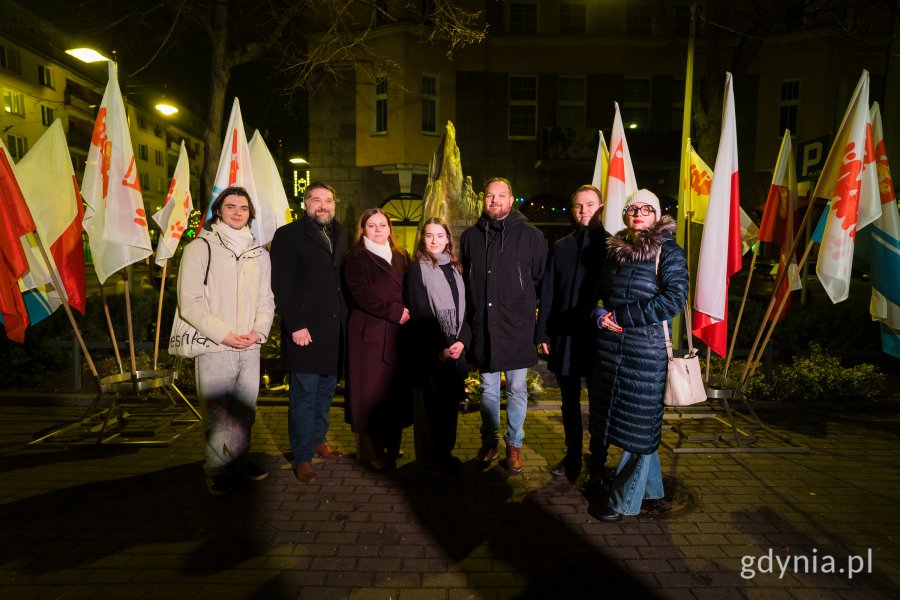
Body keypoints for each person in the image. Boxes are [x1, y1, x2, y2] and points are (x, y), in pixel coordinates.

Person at [588, 189, 688, 522]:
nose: (639, 213)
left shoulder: (669, 251)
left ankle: (623, 502)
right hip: (612, 353)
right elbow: (599, 295)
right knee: (630, 423)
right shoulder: (615, 253)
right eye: (633, 207)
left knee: (640, 428)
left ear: (657, 215)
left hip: (646, 355)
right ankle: (652, 490)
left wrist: (621, 317)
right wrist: (599, 315)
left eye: (647, 209)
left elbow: (673, 300)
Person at [177, 186, 275, 495]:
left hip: (249, 345)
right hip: (215, 344)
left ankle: (240, 458)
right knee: (218, 412)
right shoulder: (200, 247)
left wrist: (258, 332)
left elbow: (266, 299)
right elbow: (189, 302)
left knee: (245, 410)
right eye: (230, 206)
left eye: (243, 208)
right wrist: (225, 334)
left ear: (250, 213)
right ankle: (216, 467)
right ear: (218, 210)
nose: (237, 212)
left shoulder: (259, 253)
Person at [460, 177, 547, 473]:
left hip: (517, 327)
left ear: (512, 200)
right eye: (489, 195)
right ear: (483, 200)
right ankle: (489, 442)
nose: (495, 200)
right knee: (487, 388)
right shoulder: (471, 235)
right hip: (484, 325)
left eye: (501, 195)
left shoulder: (531, 235)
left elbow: (540, 279)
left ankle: (514, 444)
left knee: (517, 388)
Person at [270, 182, 348, 484]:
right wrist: (295, 324)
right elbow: (282, 284)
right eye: (317, 200)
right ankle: (303, 457)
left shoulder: (341, 233)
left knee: (327, 391)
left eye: (328, 200)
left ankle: (319, 439)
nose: (323, 206)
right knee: (303, 395)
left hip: (334, 331)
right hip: (305, 330)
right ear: (305, 204)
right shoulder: (288, 235)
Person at [535, 184, 607, 480]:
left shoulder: (612, 246)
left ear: (600, 208)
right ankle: (573, 455)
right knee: (569, 401)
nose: (584, 211)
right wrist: (543, 333)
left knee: (600, 402)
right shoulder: (561, 247)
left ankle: (598, 460)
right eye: (578, 205)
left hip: (598, 336)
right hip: (565, 334)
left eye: (590, 205)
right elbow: (548, 292)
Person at [344, 208, 411, 470]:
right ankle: (371, 452)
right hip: (369, 332)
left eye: (382, 225)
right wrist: (396, 311)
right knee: (369, 393)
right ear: (363, 229)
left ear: (389, 228)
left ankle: (392, 446)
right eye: (372, 225)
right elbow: (361, 294)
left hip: (397, 331)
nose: (378, 230)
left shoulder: (399, 255)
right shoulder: (356, 257)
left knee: (393, 391)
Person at [403, 218, 471, 473]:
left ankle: (445, 454)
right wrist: (440, 348)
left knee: (448, 408)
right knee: (429, 410)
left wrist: (462, 341)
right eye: (429, 235)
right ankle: (428, 461)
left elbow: (466, 311)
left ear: (447, 240)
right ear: (423, 239)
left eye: (439, 235)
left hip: (455, 349)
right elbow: (420, 315)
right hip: (430, 352)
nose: (434, 241)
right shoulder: (416, 270)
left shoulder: (455, 269)